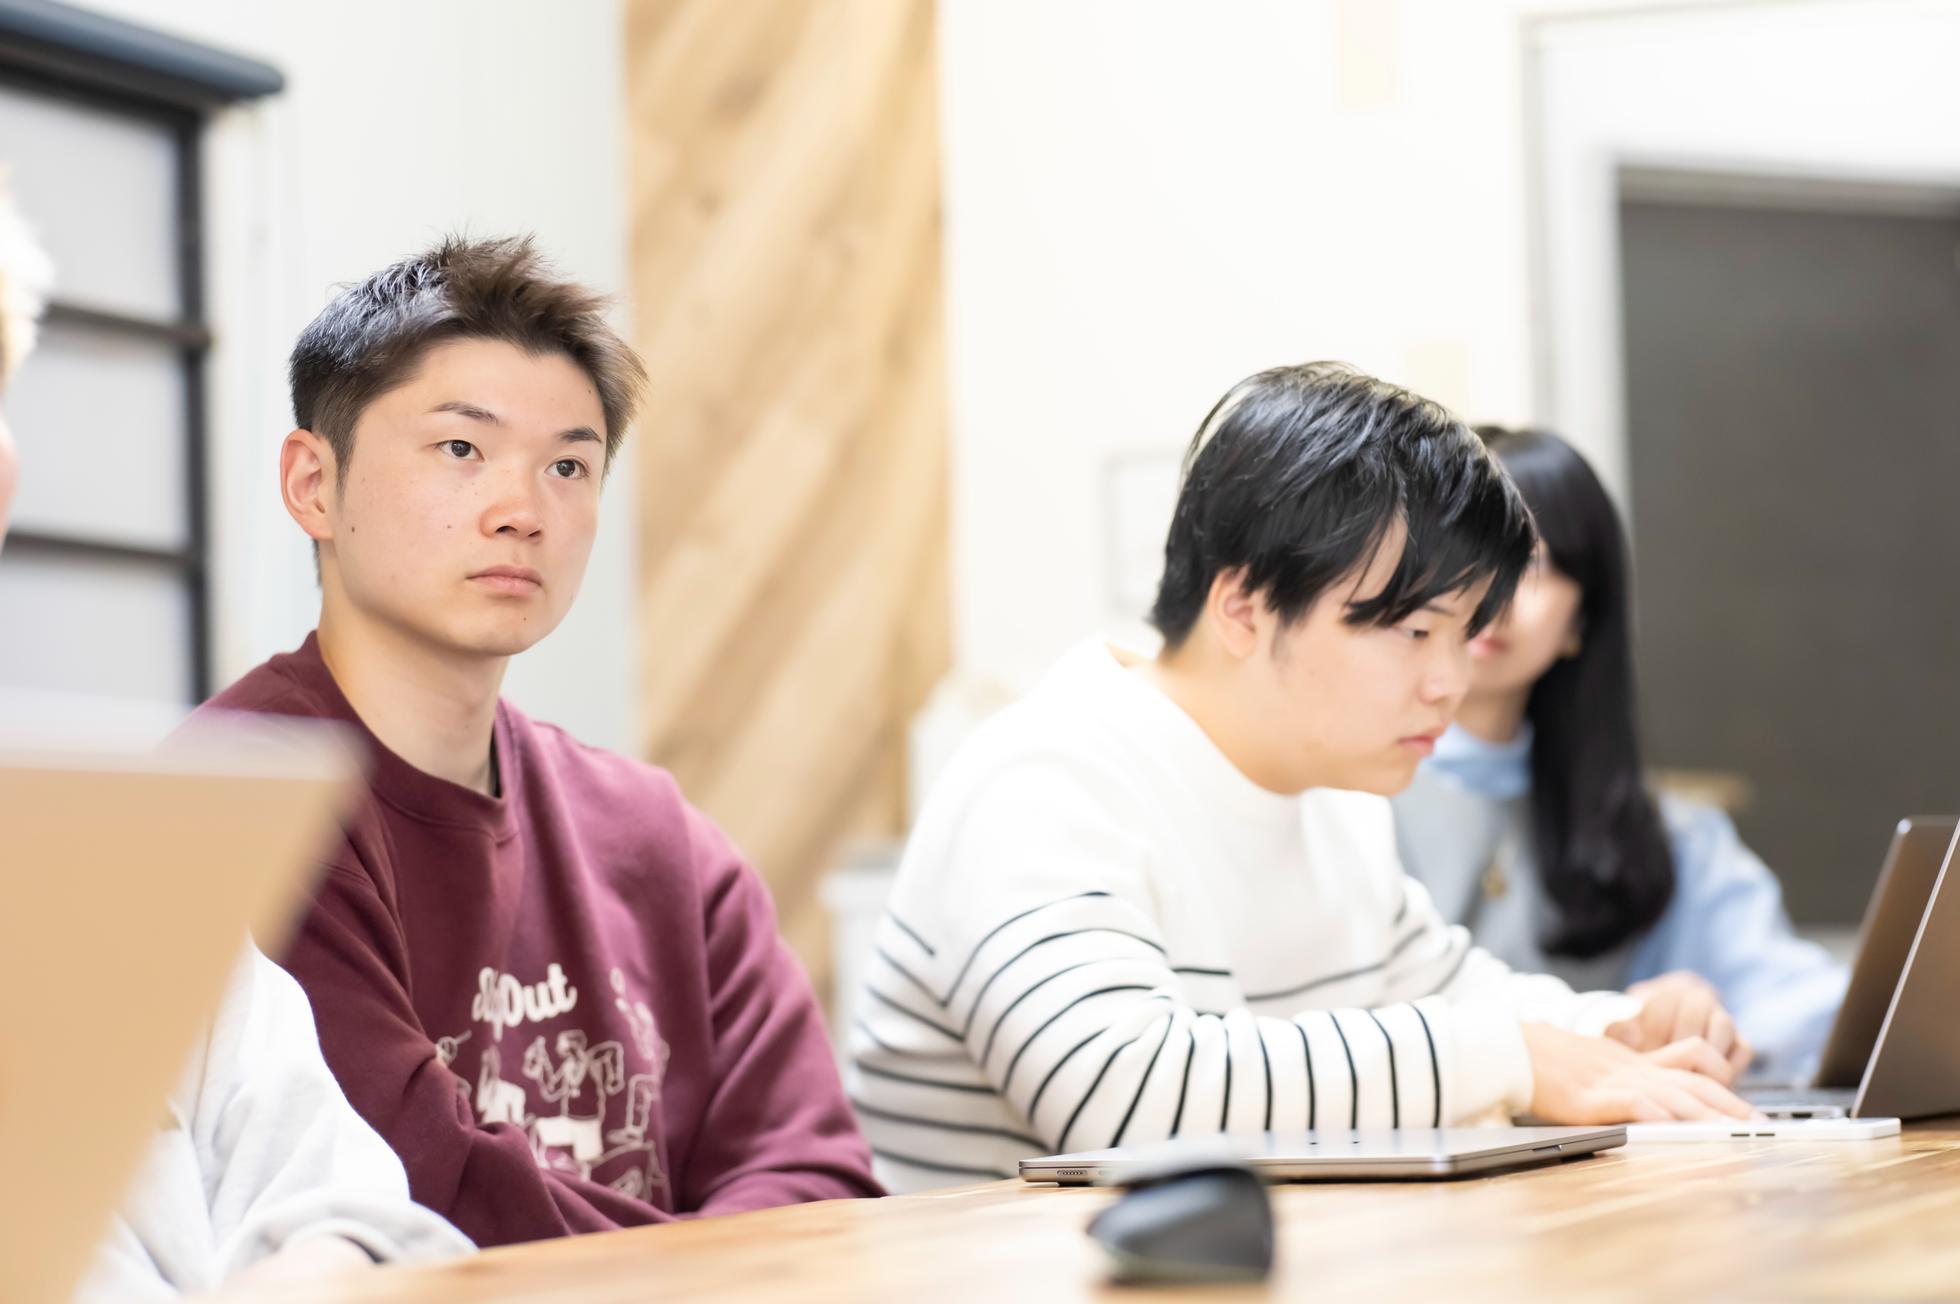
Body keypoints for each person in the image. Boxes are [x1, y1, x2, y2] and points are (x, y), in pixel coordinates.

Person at [848, 363, 1755, 1192]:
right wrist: (1511, 1058)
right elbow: (1119, 1097)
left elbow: (1447, 990)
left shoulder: (1329, 798)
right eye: (1415, 631)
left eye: (1463, 634)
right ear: (1244, 607)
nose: (1449, 681)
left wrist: (1615, 1033)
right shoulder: (1045, 778)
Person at [193, 235, 879, 1248]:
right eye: (460, 450)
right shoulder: (231, 797)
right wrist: (724, 1262)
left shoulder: (653, 832)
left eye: (567, 465)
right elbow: (414, 1197)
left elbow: (818, 1175)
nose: (522, 512)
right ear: (313, 484)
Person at [0, 180, 470, 1300]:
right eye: (459, 449)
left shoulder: (97, 850)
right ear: (314, 485)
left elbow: (348, 1201)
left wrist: (312, 1270)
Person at [1391, 427, 1846, 1081]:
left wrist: (1692, 1022)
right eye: (1465, 554)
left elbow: (1807, 1010)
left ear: (1582, 619)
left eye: (1533, 564)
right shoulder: (1337, 801)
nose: (1492, 593)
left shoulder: (1661, 836)